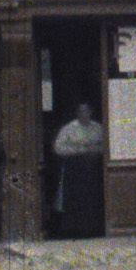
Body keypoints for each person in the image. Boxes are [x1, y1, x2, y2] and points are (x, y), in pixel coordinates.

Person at [52, 100, 104, 237]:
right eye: (81, 111)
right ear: (77, 113)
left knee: (92, 200)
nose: (84, 114)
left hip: (92, 170)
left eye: (86, 111)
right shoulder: (69, 129)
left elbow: (107, 147)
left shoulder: (98, 128)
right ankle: (74, 231)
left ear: (91, 112)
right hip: (74, 171)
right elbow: (58, 148)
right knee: (75, 201)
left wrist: (95, 149)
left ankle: (93, 230)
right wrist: (77, 149)